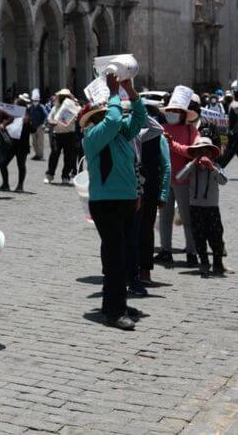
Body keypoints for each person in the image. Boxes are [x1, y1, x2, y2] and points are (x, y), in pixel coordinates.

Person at [82, 69, 146, 330]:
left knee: (123, 256)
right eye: (109, 113)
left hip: (127, 201)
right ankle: (114, 311)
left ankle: (114, 302)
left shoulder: (121, 134)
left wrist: (130, 92)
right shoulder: (93, 136)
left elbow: (139, 119)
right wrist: (113, 94)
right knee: (115, 257)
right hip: (106, 204)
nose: (117, 118)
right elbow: (112, 120)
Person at [157, 89, 199, 267]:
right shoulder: (161, 129)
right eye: (170, 111)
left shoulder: (191, 130)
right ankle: (166, 251)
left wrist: (172, 145)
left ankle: (191, 252)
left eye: (175, 111)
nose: (172, 114)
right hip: (165, 180)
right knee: (164, 218)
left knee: (187, 218)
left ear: (183, 113)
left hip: (184, 180)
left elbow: (193, 151)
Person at [178, 138, 230, 276]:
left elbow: (223, 181)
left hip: (211, 207)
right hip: (195, 207)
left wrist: (211, 168)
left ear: (212, 153)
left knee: (216, 236)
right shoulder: (192, 167)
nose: (202, 153)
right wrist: (193, 162)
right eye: (198, 151)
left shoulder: (216, 166)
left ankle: (218, 263)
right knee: (199, 236)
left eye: (205, 151)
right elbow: (179, 177)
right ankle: (204, 262)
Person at [136, 102, 171, 286]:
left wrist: (163, 194)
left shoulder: (158, 137)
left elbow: (166, 166)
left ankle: (145, 270)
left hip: (150, 190)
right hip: (130, 190)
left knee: (146, 230)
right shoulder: (130, 134)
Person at [45, 88, 78, 185]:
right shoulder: (55, 108)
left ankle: (65, 176)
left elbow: (74, 119)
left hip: (69, 135)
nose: (64, 98)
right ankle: (49, 175)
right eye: (62, 96)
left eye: (66, 96)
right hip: (57, 135)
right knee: (54, 155)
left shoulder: (72, 107)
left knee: (68, 157)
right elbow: (49, 119)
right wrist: (53, 122)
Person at [0, 94, 31, 192]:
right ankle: (5, 184)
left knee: (21, 166)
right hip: (12, 145)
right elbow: (5, 124)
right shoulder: (13, 116)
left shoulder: (26, 116)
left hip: (22, 146)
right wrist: (3, 124)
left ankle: (20, 186)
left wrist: (27, 122)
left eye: (15, 105)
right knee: (2, 163)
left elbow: (33, 129)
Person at [28, 92, 49, 160]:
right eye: (34, 100)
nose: (35, 102)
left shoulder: (41, 107)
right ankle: (36, 154)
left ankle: (40, 155)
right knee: (34, 142)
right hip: (33, 126)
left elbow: (46, 115)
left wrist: (44, 124)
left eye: (36, 100)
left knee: (40, 142)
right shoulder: (31, 107)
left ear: (38, 101)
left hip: (40, 126)